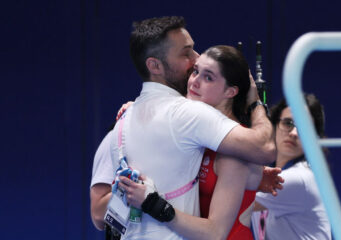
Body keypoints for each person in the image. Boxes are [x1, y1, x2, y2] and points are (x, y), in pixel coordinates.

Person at [92, 16, 276, 240]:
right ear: (155, 65)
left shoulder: (129, 117)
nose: (194, 63)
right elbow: (265, 147)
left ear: (231, 91)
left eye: (208, 76)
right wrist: (255, 103)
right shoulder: (187, 116)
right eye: (186, 54)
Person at [253, 94, 331, 240]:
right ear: (274, 125)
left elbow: (234, 205)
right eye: (288, 123)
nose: (294, 133)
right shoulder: (273, 173)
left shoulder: (300, 178)